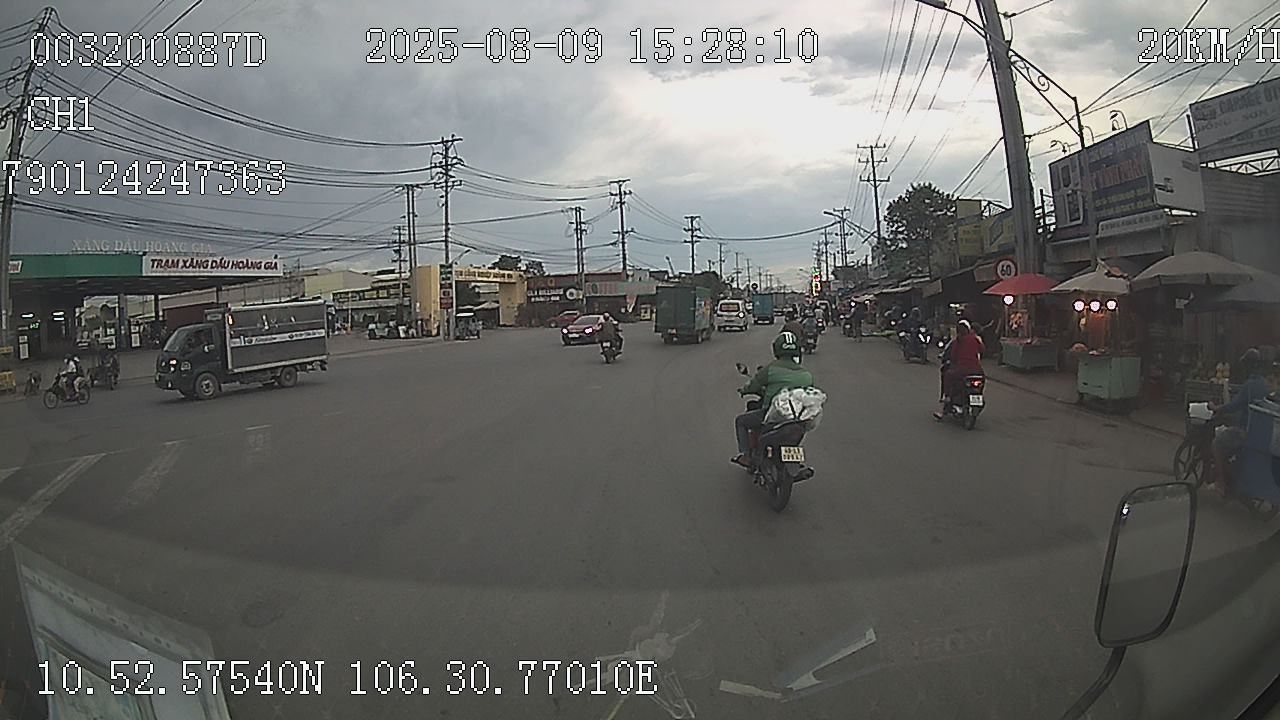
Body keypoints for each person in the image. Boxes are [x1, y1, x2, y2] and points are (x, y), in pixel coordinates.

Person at [732, 332, 815, 468]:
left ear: (776, 349)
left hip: (773, 415)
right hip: (797, 418)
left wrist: (744, 390)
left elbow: (753, 386)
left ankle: (746, 456)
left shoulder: (770, 369)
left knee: (740, 421)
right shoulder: (806, 375)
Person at [1208, 348, 1270, 495]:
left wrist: (1217, 408)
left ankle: (1221, 483)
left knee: (1216, 444)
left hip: (1245, 432)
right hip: (1260, 432)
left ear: (1248, 366)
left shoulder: (1249, 385)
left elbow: (1234, 406)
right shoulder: (1264, 384)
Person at [936, 319, 985, 419]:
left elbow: (953, 355)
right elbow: (982, 350)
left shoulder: (958, 341)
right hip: (977, 370)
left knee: (948, 376)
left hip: (962, 370)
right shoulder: (975, 339)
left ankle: (947, 397)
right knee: (981, 380)